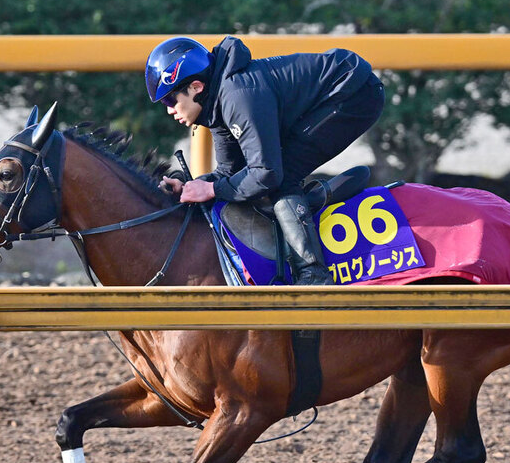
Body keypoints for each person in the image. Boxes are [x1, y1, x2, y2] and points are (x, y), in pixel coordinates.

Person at [145, 35, 384, 285]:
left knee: (282, 176)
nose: (169, 110)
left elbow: (267, 174)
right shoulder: (216, 103)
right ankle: (302, 210)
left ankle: (314, 274)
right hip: (332, 93)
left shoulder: (237, 96)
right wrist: (191, 187)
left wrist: (212, 188)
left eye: (170, 100)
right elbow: (230, 171)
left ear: (196, 87)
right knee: (269, 174)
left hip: (354, 93)